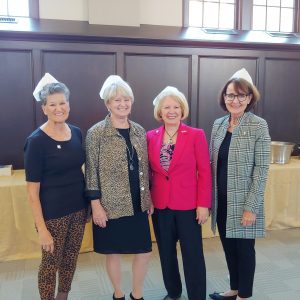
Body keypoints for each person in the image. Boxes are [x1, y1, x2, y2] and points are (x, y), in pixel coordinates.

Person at [85, 75, 152, 300]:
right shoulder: (96, 133)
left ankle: (137, 294)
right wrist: (96, 206)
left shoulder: (139, 131)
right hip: (109, 205)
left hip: (138, 202)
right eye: (116, 100)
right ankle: (118, 293)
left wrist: (148, 198)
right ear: (107, 104)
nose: (122, 104)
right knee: (112, 252)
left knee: (144, 251)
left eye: (126, 99)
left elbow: (145, 167)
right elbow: (91, 171)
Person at [209, 68, 271, 300]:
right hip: (221, 200)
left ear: (249, 98)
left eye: (240, 95)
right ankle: (234, 289)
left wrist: (251, 206)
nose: (234, 100)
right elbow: (211, 161)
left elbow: (262, 168)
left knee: (244, 250)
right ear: (224, 98)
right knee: (228, 247)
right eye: (230, 95)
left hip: (244, 201)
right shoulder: (218, 124)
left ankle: (244, 295)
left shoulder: (258, 125)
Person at [24, 73, 87, 300]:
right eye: (53, 104)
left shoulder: (77, 133)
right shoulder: (36, 141)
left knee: (70, 259)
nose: (59, 108)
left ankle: (63, 297)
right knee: (50, 265)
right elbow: (32, 192)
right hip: (52, 217)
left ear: (68, 104)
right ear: (44, 108)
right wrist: (42, 229)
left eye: (62, 103)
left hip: (78, 211)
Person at [147, 86, 212, 300]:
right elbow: (147, 173)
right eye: (167, 107)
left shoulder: (196, 135)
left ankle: (196, 296)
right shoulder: (150, 136)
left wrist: (203, 204)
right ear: (160, 111)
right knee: (166, 254)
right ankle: (173, 292)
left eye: (176, 106)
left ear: (182, 110)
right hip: (160, 206)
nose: (171, 111)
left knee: (193, 255)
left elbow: (204, 171)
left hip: (188, 206)